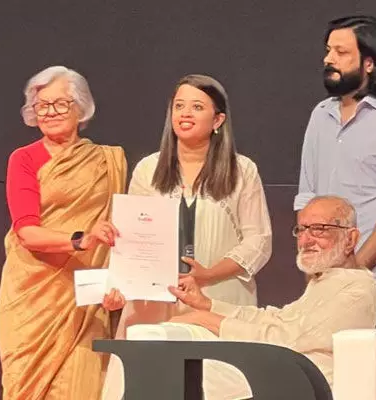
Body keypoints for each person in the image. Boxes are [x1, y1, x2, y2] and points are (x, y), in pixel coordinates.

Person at [101, 74, 272, 398]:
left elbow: (258, 241)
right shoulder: (148, 169)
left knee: (215, 387)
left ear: (218, 120)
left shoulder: (242, 170)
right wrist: (120, 286)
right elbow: (132, 239)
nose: (185, 114)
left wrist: (209, 274)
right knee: (149, 386)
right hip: (153, 303)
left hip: (218, 299)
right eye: (179, 106)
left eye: (196, 107)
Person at [153, 196, 376, 399]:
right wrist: (208, 305)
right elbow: (276, 319)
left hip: (303, 386)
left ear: (350, 239)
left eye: (319, 229)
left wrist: (209, 320)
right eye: (301, 230)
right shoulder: (325, 280)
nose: (305, 240)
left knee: (192, 362)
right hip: (279, 374)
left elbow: (287, 340)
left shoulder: (359, 289)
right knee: (178, 351)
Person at [0, 66, 127, 399]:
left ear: (80, 108)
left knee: (82, 385)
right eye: (42, 105)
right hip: (32, 296)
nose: (50, 112)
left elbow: (120, 232)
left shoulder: (107, 162)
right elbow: (26, 232)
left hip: (87, 295)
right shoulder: (24, 159)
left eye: (60, 103)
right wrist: (82, 239)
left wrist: (121, 285)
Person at [294, 15, 376, 326]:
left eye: (341, 52)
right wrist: (317, 269)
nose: (329, 59)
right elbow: (306, 200)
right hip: (323, 283)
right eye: (328, 51)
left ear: (369, 63)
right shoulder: (320, 115)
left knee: (370, 360)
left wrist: (352, 272)